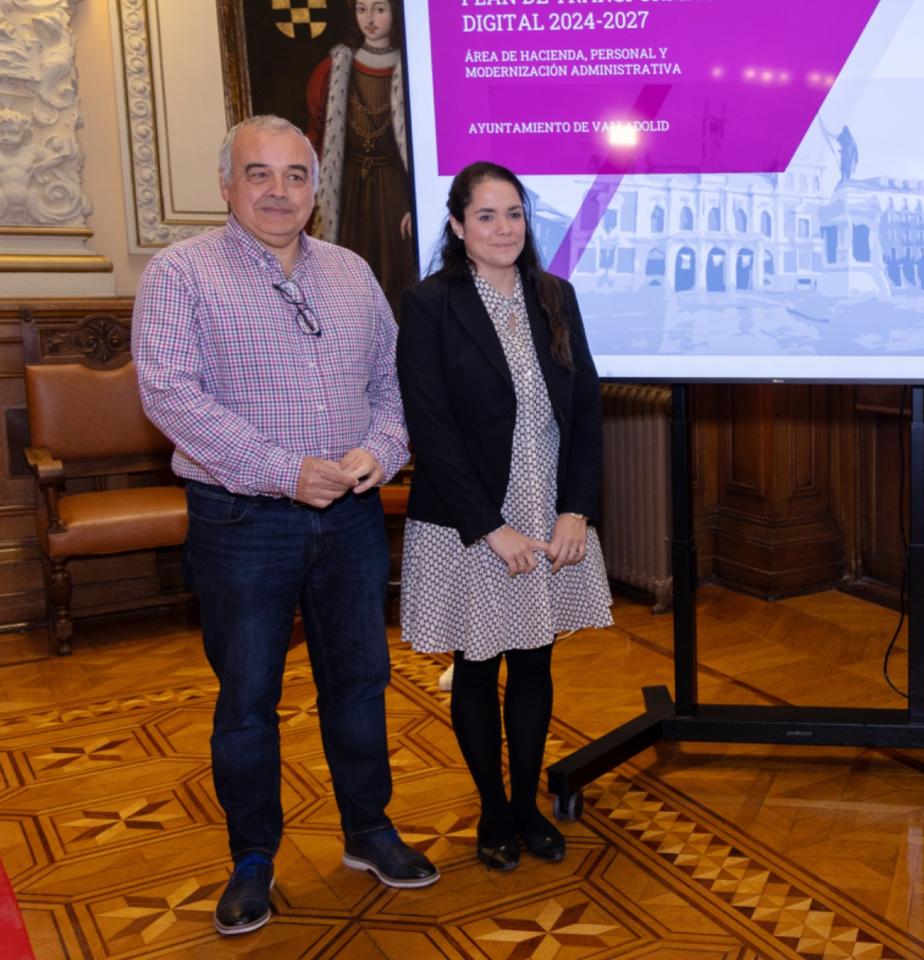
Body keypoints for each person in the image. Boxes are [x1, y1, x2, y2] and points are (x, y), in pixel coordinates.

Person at [133, 115, 439, 937]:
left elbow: (395, 380)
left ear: (316, 187)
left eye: (296, 176)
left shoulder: (351, 271)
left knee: (361, 681)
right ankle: (252, 861)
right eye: (258, 174)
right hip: (240, 518)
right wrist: (281, 469)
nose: (279, 192)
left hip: (349, 516)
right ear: (226, 186)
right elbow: (168, 394)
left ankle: (368, 832)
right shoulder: (180, 273)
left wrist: (382, 448)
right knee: (247, 699)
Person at [396, 161, 612, 871]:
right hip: (470, 521)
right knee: (478, 662)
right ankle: (493, 808)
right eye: (486, 215)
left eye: (514, 213)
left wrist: (576, 508)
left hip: (548, 509)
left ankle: (526, 805)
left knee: (535, 660)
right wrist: (492, 528)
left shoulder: (556, 296)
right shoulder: (430, 304)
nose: (503, 228)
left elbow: (584, 410)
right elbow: (430, 427)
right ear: (458, 226)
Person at [307, 0, 415, 315]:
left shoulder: (412, 67)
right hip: (350, 188)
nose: (369, 19)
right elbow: (315, 134)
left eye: (379, 9)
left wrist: (415, 203)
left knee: (397, 276)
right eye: (361, 9)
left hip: (395, 192)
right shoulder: (334, 69)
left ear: (394, 14)